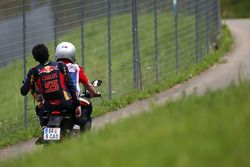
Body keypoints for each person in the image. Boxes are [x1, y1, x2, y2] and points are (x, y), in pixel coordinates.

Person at [20, 44, 82, 143]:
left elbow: (23, 92)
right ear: (48, 54)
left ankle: (44, 129)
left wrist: (27, 80)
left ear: (35, 58)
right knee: (78, 111)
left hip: (48, 107)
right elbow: (71, 87)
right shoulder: (61, 65)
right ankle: (75, 128)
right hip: (65, 104)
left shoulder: (34, 71)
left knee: (39, 109)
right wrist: (77, 104)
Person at [55, 42, 100, 132]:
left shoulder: (51, 68)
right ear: (72, 55)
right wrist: (94, 93)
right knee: (87, 107)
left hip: (53, 102)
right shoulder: (76, 68)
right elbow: (88, 84)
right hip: (71, 100)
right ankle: (82, 134)